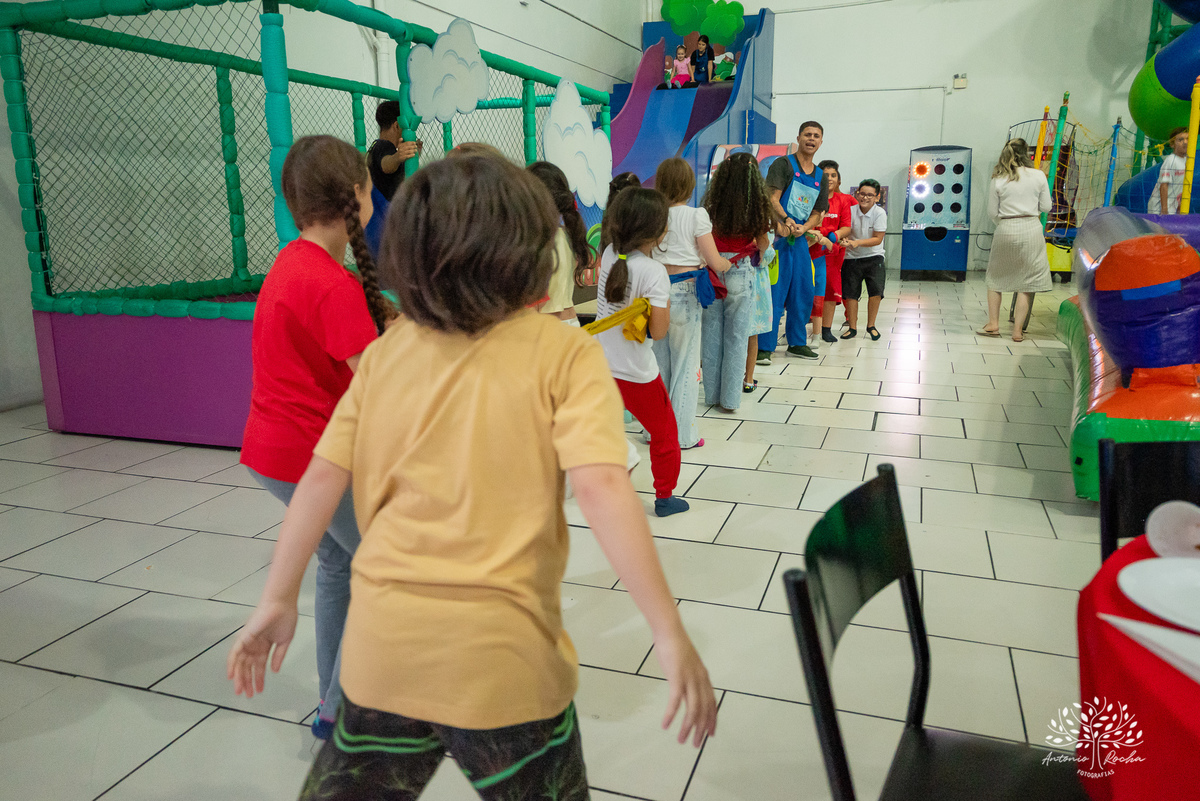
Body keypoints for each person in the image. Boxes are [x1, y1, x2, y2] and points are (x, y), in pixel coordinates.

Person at [227, 156, 717, 800]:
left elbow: (320, 479)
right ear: (532, 250)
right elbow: (603, 490)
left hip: (384, 661)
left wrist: (278, 597)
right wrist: (668, 631)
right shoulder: (565, 354)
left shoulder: (391, 352)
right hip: (509, 675)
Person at [239, 135, 397, 741]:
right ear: (359, 197)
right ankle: (342, 709)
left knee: (337, 559)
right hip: (309, 457)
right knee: (378, 565)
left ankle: (332, 704)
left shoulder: (293, 262)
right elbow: (378, 385)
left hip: (270, 453)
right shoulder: (331, 284)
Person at [597, 187, 690, 517]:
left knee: (606, 432)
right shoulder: (654, 273)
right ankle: (664, 496)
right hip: (637, 371)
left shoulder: (608, 253)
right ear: (660, 230)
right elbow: (659, 331)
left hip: (600, 365)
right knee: (665, 433)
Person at [651, 157, 731, 449]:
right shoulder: (697, 215)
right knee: (686, 366)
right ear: (689, 184)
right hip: (686, 291)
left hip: (656, 292)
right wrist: (725, 263)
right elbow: (714, 261)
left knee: (659, 364)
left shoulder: (654, 215)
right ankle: (682, 435)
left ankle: (654, 431)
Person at [702, 152, 774, 411]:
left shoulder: (712, 203)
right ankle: (730, 400)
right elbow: (763, 243)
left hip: (712, 269)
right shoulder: (757, 205)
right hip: (741, 269)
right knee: (736, 337)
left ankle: (711, 395)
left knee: (711, 335)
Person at [757, 122, 830, 363]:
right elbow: (771, 198)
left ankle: (797, 342)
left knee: (803, 291)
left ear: (821, 142)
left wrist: (805, 228)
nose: (811, 139)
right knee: (775, 292)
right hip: (778, 238)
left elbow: (819, 211)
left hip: (799, 241)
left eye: (816, 136)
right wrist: (787, 220)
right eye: (807, 134)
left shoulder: (820, 176)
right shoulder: (784, 164)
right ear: (798, 137)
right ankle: (763, 347)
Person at [978, 139, 1051, 342]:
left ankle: (993, 324)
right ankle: (1017, 331)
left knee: (995, 279)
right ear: (1027, 153)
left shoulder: (999, 178)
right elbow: (1046, 207)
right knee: (1026, 283)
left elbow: (992, 212)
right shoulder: (1038, 176)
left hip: (1006, 228)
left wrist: (1003, 223)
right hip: (1031, 228)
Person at [528, 161, 593, 325]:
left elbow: (539, 304)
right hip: (570, 322)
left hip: (549, 328)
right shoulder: (567, 235)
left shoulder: (542, 243)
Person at [364, 101, 422, 256]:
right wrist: (398, 157)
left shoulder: (375, 147)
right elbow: (386, 164)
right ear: (397, 125)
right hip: (384, 220)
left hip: (377, 223)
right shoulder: (383, 146)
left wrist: (410, 157)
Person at [841, 178, 888, 341]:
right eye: (862, 194)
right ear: (856, 194)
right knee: (851, 294)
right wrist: (845, 240)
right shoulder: (850, 210)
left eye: (870, 195)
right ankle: (852, 327)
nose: (865, 198)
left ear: (877, 197)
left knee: (876, 292)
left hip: (874, 257)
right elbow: (845, 230)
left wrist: (857, 242)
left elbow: (877, 239)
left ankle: (871, 326)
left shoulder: (879, 213)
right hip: (851, 257)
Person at [813, 159, 854, 343]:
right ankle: (799, 327)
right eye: (825, 175)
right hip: (809, 249)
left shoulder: (843, 200)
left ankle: (825, 329)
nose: (829, 178)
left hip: (832, 253)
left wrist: (832, 237)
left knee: (830, 290)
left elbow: (847, 226)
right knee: (805, 289)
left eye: (833, 175)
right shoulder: (811, 196)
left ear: (838, 179)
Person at [1149, 126, 1189, 214]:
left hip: (1172, 206)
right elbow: (1164, 185)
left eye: (1187, 139)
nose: (1185, 142)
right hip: (1159, 208)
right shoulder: (1171, 160)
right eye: (1180, 140)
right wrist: (1164, 209)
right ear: (1172, 144)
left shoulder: (1187, 160)